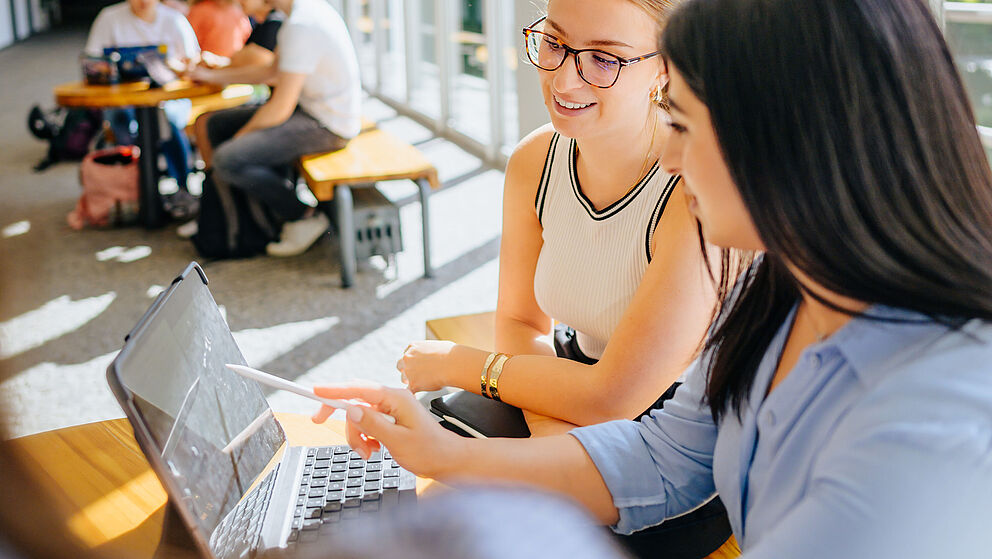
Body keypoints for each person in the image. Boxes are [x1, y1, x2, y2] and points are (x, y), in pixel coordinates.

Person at [313, 0, 992, 556]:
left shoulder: (932, 414)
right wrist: (439, 455)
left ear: (795, 141)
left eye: (683, 123)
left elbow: (623, 413)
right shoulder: (783, 294)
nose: (667, 155)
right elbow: (660, 457)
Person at [399, 1, 733, 555]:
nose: (562, 75)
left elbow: (614, 402)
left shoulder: (695, 185)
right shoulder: (537, 159)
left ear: (666, 67)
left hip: (671, 446)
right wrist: (552, 437)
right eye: (553, 42)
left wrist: (462, 364)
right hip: (569, 379)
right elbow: (518, 318)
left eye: (604, 58)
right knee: (436, 462)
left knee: (469, 516)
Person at [190, 0, 361, 257]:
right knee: (213, 123)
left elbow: (280, 106)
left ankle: (304, 215)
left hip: (327, 125)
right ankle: (227, 213)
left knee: (227, 158)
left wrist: (240, 138)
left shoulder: (302, 25)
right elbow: (271, 72)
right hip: (311, 110)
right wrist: (211, 76)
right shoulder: (298, 15)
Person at [84, 0, 202, 219]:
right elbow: (93, 61)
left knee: (168, 121)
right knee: (122, 119)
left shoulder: (175, 20)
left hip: (168, 96)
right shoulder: (109, 18)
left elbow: (193, 61)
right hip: (124, 98)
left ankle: (182, 186)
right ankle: (136, 186)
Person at [186, 0, 252, 59]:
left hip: (230, 68)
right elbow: (188, 44)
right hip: (203, 66)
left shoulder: (241, 15)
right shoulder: (201, 10)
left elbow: (244, 39)